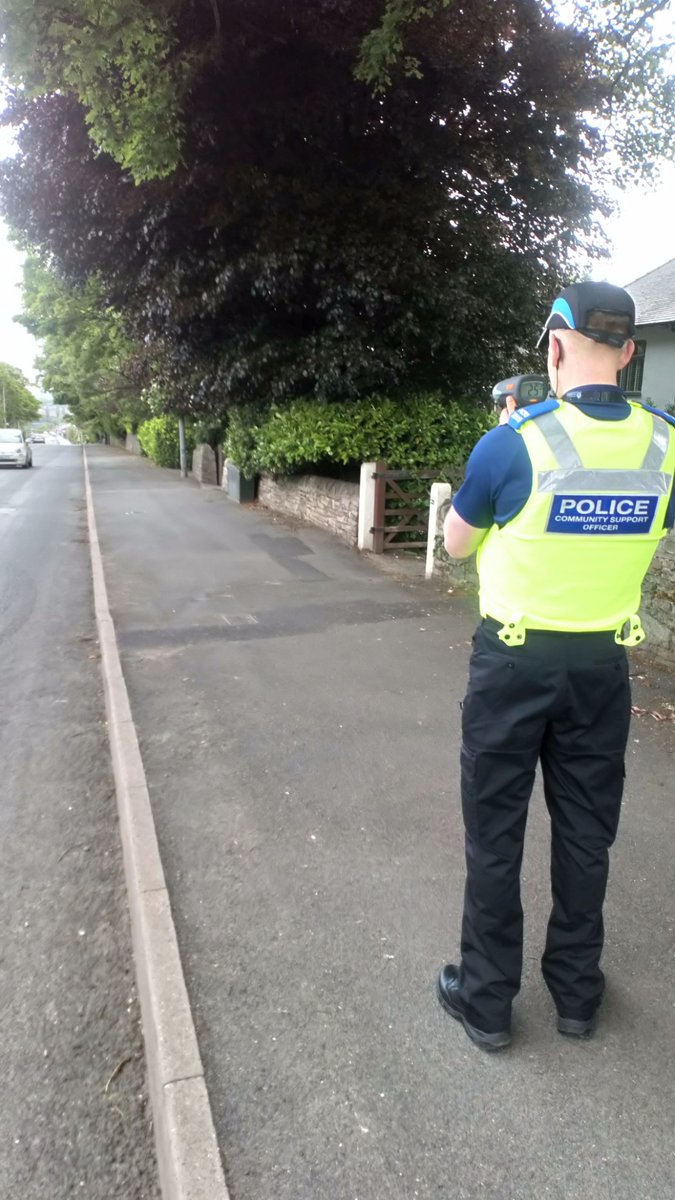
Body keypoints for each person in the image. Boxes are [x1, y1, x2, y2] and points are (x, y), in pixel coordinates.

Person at [437, 281, 675, 1051]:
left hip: (510, 666)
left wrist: (499, 449)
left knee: (495, 834)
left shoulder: (512, 441)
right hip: (602, 669)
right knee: (584, 834)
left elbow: (455, 546)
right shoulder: (666, 444)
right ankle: (575, 994)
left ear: (553, 347)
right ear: (630, 353)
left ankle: (486, 1004)